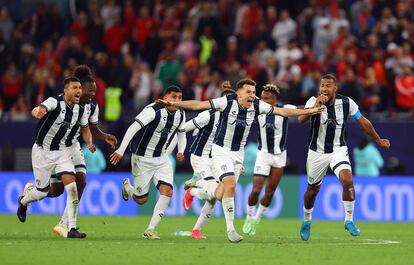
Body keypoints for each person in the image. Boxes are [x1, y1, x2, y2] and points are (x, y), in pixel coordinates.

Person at [157, 78, 324, 243]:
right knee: (230, 185)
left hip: (238, 155)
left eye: (253, 92)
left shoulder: (257, 105)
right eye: (248, 92)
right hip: (221, 151)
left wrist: (308, 111)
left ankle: (194, 191)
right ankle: (231, 230)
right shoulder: (226, 102)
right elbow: (199, 105)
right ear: (239, 93)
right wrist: (174, 104)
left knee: (221, 194)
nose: (252, 95)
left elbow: (283, 112)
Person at [26, 65, 118, 238]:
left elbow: (92, 129)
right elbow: (42, 108)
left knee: (81, 180)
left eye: (95, 91)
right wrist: (39, 110)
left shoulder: (91, 107)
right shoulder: (60, 102)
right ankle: (31, 190)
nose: (92, 94)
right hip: (54, 148)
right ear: (78, 88)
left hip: (73, 145)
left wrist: (104, 136)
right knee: (55, 191)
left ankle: (65, 223)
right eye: (89, 91)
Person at [298, 74, 390, 241]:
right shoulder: (313, 100)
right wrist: (314, 107)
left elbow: (363, 122)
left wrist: (378, 139)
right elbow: (301, 120)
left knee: (347, 181)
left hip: (337, 150)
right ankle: (307, 220)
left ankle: (349, 220)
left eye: (328, 86)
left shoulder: (346, 103)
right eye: (322, 86)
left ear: (335, 88)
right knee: (312, 191)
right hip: (316, 152)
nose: (324, 89)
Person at [17, 76, 96, 238]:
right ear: (65, 90)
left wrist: (89, 143)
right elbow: (39, 108)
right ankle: (23, 201)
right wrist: (38, 111)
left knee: (72, 187)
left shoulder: (80, 110)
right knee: (42, 192)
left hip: (62, 152)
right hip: (42, 152)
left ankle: (71, 228)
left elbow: (86, 129)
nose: (78, 91)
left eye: (80, 88)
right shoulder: (54, 102)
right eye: (74, 88)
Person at [110, 85, 186, 240]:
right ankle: (128, 188)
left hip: (162, 159)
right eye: (173, 97)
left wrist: (181, 150)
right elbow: (133, 127)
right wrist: (121, 150)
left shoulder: (181, 113)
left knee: (168, 192)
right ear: (165, 98)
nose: (177, 100)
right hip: (142, 159)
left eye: (179, 97)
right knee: (141, 200)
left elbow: (181, 135)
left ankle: (151, 229)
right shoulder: (153, 110)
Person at [168, 86, 236, 239]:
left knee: (214, 196)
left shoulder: (233, 119)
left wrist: (237, 164)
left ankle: (196, 230)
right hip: (200, 158)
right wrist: (178, 150)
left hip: (217, 159)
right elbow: (183, 129)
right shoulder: (208, 115)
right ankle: (193, 188)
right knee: (218, 193)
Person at [243, 84, 296, 236]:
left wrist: (315, 104)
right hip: (264, 154)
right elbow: (241, 98)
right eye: (262, 98)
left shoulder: (285, 109)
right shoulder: (257, 108)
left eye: (266, 98)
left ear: (274, 99)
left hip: (280, 156)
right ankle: (248, 216)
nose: (263, 101)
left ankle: (256, 220)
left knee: (270, 191)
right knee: (256, 189)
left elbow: (301, 109)